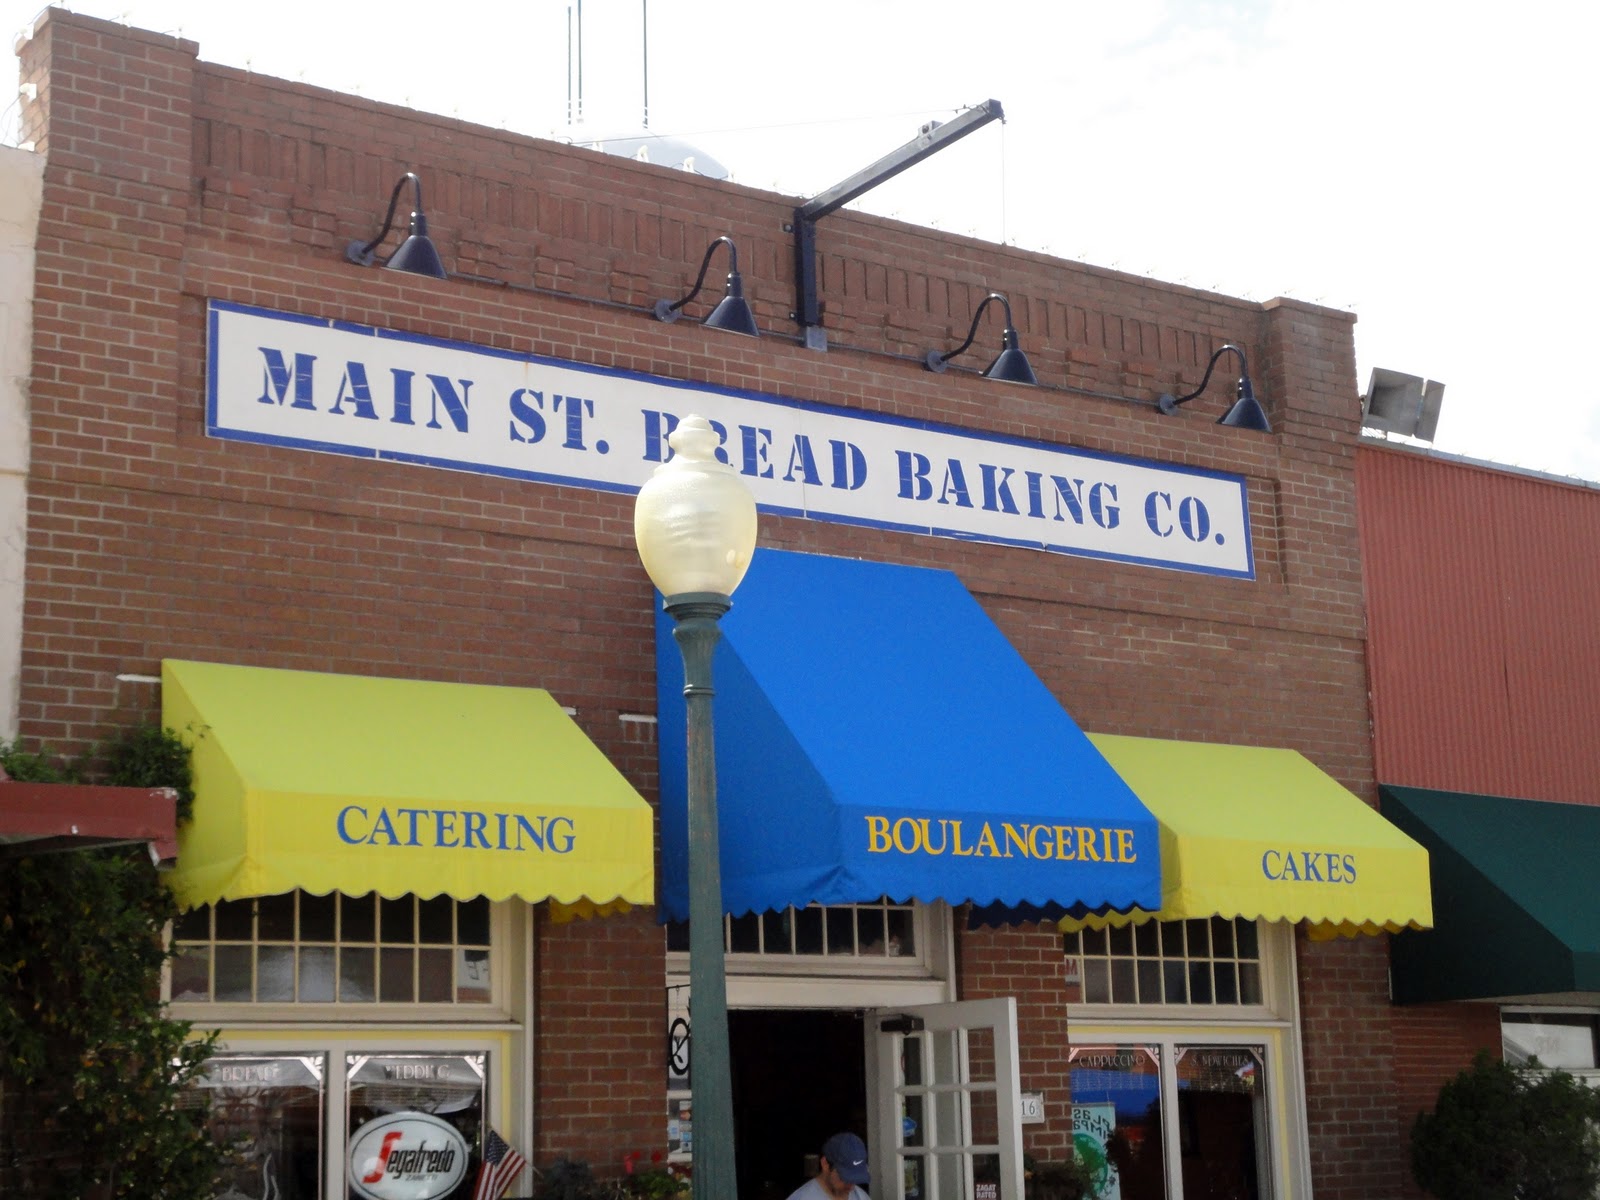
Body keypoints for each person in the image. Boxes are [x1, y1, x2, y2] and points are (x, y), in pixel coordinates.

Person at [786, 1131, 870, 1200]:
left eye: (855, 1177)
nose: (851, 1187)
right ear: (825, 1164)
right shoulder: (802, 1197)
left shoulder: (861, 1196)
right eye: (845, 1177)